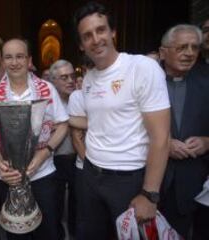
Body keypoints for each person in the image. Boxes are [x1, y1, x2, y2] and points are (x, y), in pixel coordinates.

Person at [70, 2, 171, 239]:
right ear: (81, 45)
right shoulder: (88, 79)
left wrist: (149, 194)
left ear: (112, 32)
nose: (95, 39)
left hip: (127, 179)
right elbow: (98, 122)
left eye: (100, 30)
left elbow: (161, 137)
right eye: (87, 36)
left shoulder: (142, 67)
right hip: (90, 175)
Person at [0, 38, 69, 240]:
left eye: (19, 56)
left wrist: (45, 153)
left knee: (48, 231)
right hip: (8, 177)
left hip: (42, 174)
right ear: (3, 61)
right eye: (9, 57)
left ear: (29, 60)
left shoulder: (47, 89)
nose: (14, 62)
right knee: (16, 235)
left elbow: (63, 124)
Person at [159, 24, 209, 239]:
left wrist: (208, 142)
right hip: (153, 181)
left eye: (194, 47)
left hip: (194, 182)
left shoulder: (206, 83)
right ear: (163, 52)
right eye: (182, 47)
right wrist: (164, 144)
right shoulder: (147, 83)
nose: (189, 53)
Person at [48, 59, 76, 239]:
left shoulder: (81, 99)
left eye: (73, 76)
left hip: (77, 159)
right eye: (64, 77)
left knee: (78, 205)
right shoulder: (47, 104)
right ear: (53, 81)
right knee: (54, 206)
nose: (70, 80)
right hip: (54, 160)